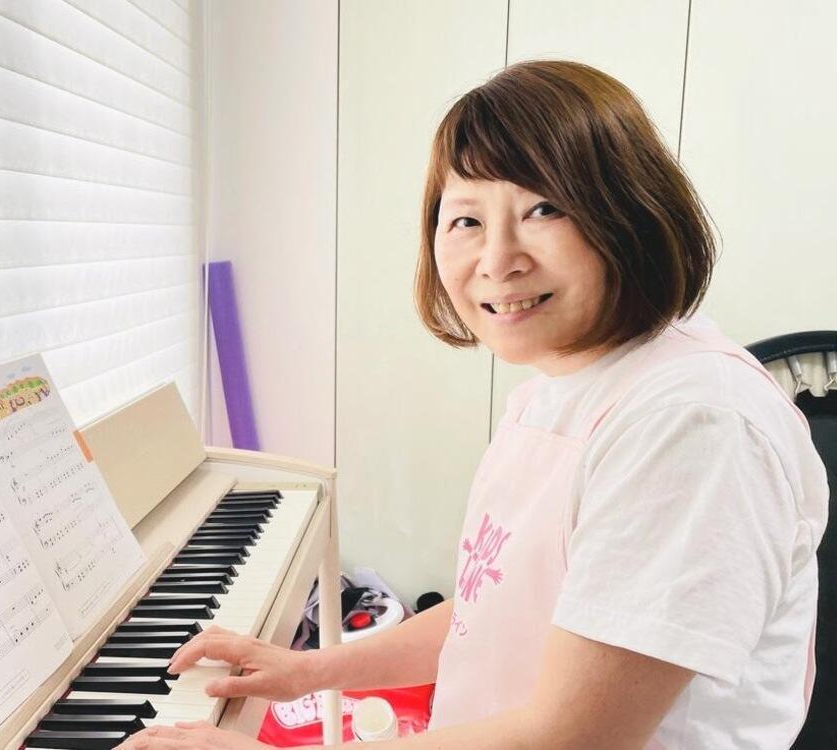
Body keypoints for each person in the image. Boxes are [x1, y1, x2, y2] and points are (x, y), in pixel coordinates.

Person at [115, 60, 829, 749]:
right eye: (465, 220)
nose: (497, 259)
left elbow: (576, 738)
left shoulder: (691, 423)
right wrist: (311, 669)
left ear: (631, 214)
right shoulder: (556, 386)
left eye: (544, 208)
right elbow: (494, 615)